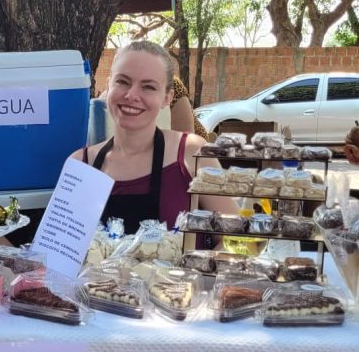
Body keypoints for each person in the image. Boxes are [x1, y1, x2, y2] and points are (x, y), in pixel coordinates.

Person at [71, 40, 237, 233]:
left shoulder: (191, 154)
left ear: (167, 97)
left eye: (148, 87)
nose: (132, 95)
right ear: (108, 86)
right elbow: (60, 252)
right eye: (122, 82)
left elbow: (234, 238)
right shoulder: (81, 165)